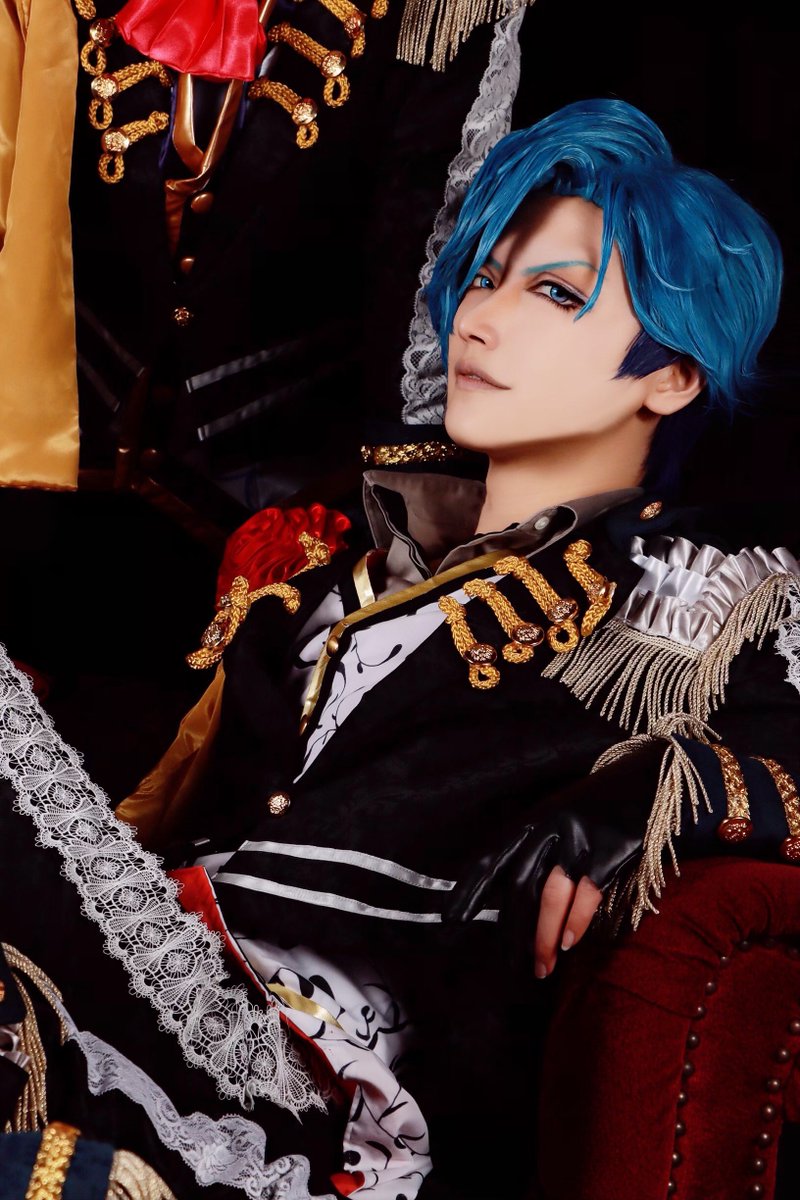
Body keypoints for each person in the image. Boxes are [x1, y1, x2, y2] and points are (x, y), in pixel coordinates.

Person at [0, 97, 799, 1200]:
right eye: (485, 278)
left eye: (553, 293)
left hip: (303, 1084)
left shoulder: (689, 604)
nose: (481, 320)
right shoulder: (321, 571)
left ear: (672, 373)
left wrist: (673, 794)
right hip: (139, 979)